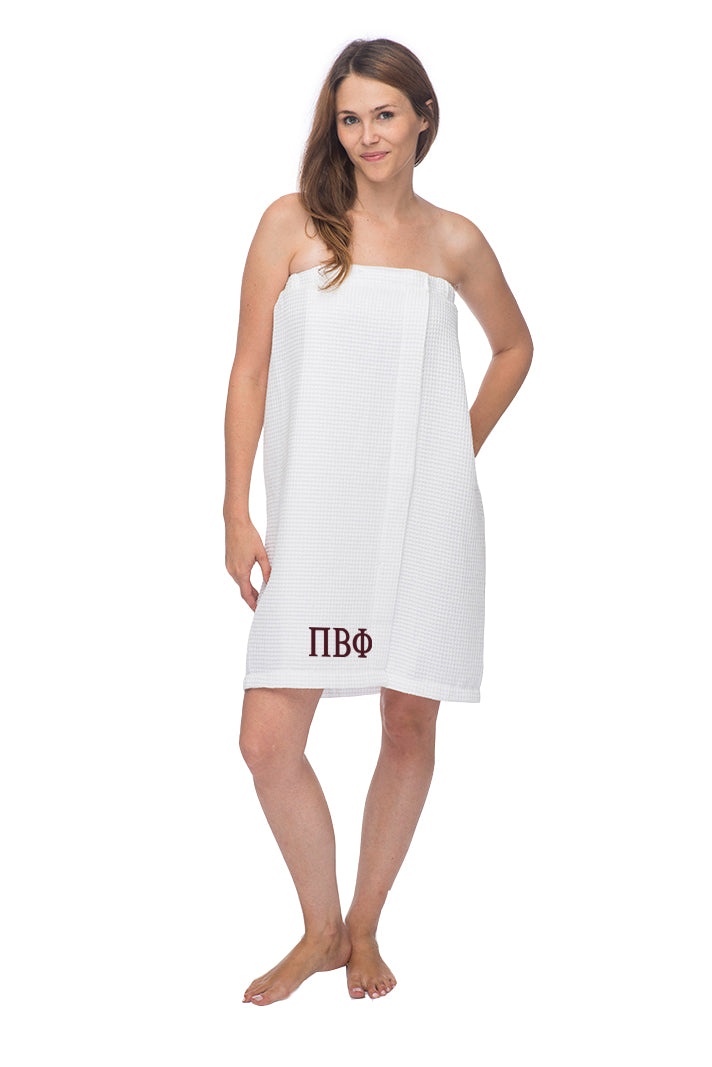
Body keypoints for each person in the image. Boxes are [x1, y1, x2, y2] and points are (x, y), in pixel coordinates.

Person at [223, 37, 533, 1006]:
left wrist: (454, 451)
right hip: (319, 521)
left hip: (424, 527)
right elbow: (248, 370)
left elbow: (515, 347)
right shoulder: (291, 225)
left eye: (385, 115)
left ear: (422, 118)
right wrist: (234, 509)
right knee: (268, 739)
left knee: (407, 719)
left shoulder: (454, 240)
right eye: (350, 117)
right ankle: (318, 926)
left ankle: (361, 926)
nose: (367, 135)